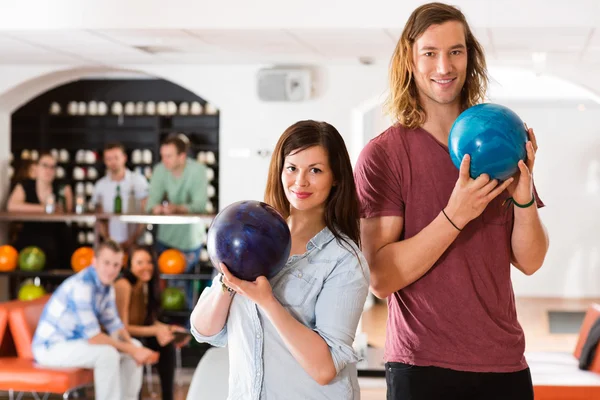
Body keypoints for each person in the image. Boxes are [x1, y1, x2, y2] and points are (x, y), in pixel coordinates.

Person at [353, 3, 550, 400]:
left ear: (469, 56)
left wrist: (524, 200)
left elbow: (530, 261)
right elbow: (380, 279)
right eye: (430, 53)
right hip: (422, 365)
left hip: (504, 362)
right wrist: (455, 216)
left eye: (455, 51)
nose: (444, 66)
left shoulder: (498, 139)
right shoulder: (385, 155)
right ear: (410, 59)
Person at [190, 120, 370, 399]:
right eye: (292, 168)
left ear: (336, 177)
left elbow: (325, 369)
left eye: (316, 170)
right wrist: (229, 283)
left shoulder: (344, 259)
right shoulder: (253, 238)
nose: (300, 181)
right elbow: (204, 330)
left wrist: (267, 301)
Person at [32, 240, 159, 400]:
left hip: (77, 343)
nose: (111, 270)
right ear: (94, 262)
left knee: (135, 345)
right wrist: (133, 350)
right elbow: (94, 337)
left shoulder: (106, 287)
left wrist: (133, 347)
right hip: (51, 347)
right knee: (107, 355)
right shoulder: (81, 286)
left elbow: (115, 325)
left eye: (116, 265)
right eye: (107, 263)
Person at [114, 245, 189, 400]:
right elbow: (123, 327)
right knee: (139, 345)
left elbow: (148, 320)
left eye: (149, 262)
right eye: (140, 262)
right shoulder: (124, 285)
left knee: (166, 345)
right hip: (121, 338)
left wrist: (170, 329)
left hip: (138, 334)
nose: (146, 267)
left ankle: (168, 396)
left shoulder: (146, 285)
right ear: (130, 266)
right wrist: (156, 331)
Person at [146, 133, 209, 306]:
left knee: (183, 286)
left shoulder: (197, 170)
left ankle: (189, 328)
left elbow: (199, 205)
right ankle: (162, 325)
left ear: (182, 156)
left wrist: (176, 208)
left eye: (168, 156)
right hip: (164, 238)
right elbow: (151, 202)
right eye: (162, 156)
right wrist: (156, 208)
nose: (164, 160)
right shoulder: (160, 170)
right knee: (162, 287)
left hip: (190, 241)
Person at [7, 151, 74, 268]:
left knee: (63, 242)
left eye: (53, 167)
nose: (49, 170)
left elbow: (68, 210)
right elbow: (11, 206)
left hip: (57, 235)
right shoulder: (25, 185)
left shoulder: (62, 187)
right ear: (36, 168)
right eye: (45, 165)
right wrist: (43, 208)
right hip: (31, 233)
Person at [92, 142, 149, 252]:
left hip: (136, 243)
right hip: (110, 245)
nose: (113, 162)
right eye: (109, 159)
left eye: (116, 158)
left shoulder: (138, 181)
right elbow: (99, 217)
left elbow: (145, 211)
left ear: (124, 158)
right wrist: (109, 240)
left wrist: (133, 239)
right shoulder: (100, 185)